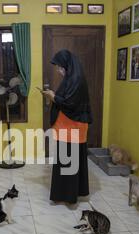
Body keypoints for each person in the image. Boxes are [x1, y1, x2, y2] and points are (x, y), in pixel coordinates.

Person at [41, 50, 92, 204]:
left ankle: (69, 196)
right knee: (66, 161)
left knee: (69, 162)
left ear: (67, 65)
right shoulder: (72, 77)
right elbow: (66, 99)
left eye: (59, 66)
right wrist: (53, 95)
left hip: (73, 127)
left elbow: (70, 103)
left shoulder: (76, 79)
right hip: (68, 126)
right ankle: (64, 193)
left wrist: (53, 96)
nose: (58, 70)